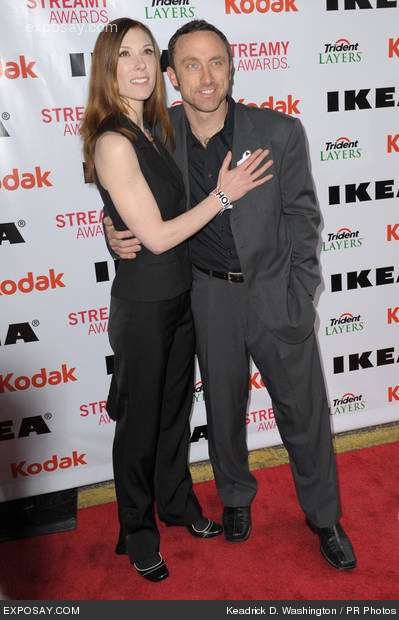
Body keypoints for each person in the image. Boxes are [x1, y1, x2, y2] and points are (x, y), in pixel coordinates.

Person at [104, 19, 357, 571]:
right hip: (206, 298)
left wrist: (300, 292)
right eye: (190, 64)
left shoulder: (279, 131)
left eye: (216, 61)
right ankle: (236, 499)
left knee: (304, 411)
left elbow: (304, 218)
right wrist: (109, 226)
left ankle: (324, 516)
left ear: (232, 66)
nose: (206, 76)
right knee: (222, 410)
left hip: (273, 295)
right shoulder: (157, 135)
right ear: (171, 74)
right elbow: (123, 189)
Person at [81, 17, 272, 582]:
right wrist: (224, 194)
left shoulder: (155, 127)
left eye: (146, 53)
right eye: (125, 56)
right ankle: (136, 530)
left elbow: (144, 210)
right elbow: (160, 235)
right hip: (143, 306)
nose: (139, 66)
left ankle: (177, 504)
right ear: (107, 69)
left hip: (179, 295)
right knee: (139, 423)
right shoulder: (114, 138)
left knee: (172, 413)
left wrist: (109, 224)